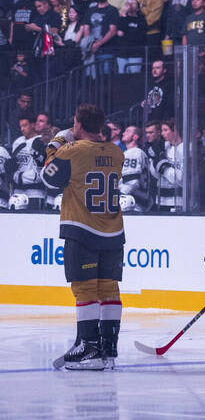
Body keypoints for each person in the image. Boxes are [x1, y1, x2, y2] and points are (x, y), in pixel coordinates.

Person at [42, 104, 126, 370]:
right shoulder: (117, 152)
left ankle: (89, 347)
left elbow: (48, 176)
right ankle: (108, 350)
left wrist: (57, 141)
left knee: (85, 289)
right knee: (109, 289)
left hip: (82, 229)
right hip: (113, 231)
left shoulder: (72, 151)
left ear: (78, 124)